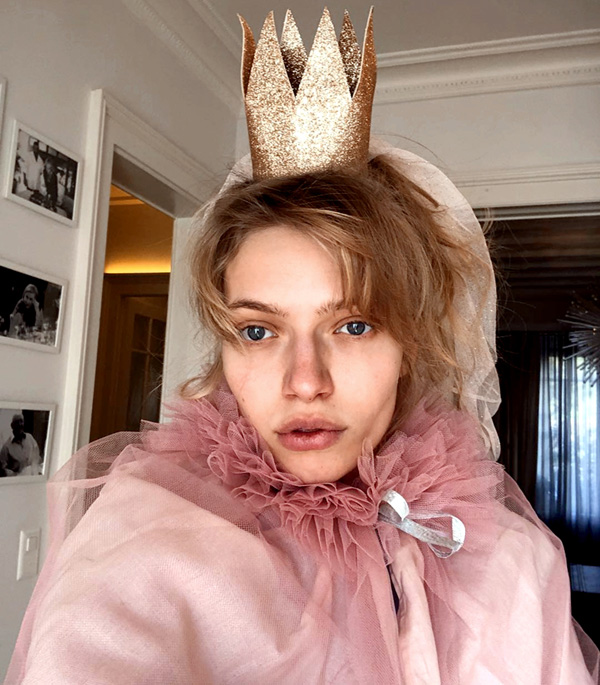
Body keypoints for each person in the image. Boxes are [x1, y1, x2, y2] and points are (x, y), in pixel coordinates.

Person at [6, 8, 599, 685]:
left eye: (353, 325)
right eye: (259, 331)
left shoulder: (510, 561)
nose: (306, 381)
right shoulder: (149, 540)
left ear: (411, 343)